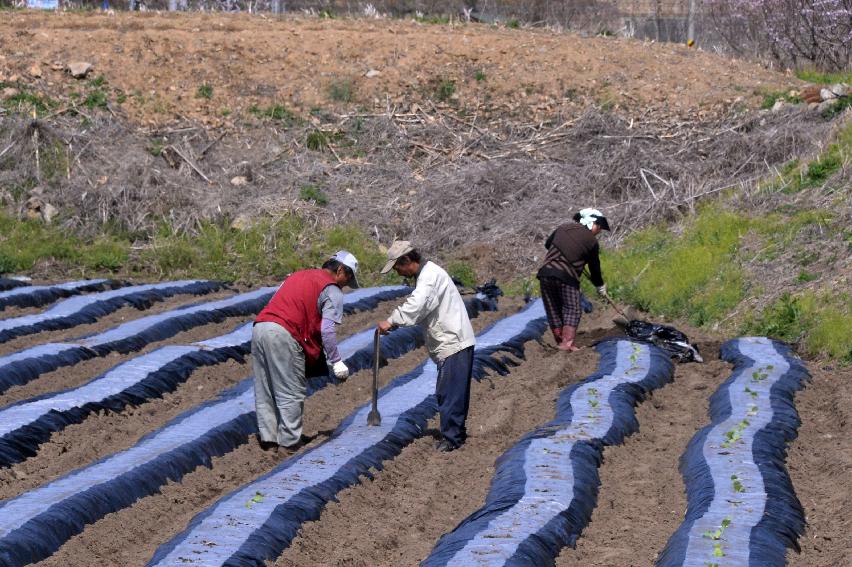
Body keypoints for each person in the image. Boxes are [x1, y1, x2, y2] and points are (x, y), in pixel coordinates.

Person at [252, 251, 359, 454]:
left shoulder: (297, 275)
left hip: (260, 327)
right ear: (341, 270)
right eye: (349, 278)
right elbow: (326, 329)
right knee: (290, 390)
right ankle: (289, 443)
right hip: (285, 333)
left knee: (265, 388)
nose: (346, 284)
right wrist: (336, 360)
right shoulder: (332, 290)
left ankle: (269, 440)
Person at [377, 241, 475, 452]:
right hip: (450, 341)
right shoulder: (427, 275)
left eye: (397, 268)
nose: (398, 273)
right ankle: (455, 434)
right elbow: (422, 310)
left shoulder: (429, 277)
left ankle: (452, 439)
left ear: (407, 261)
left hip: (453, 342)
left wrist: (392, 320)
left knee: (450, 393)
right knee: (449, 392)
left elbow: (418, 305)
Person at [537, 208, 611, 352]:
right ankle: (567, 344)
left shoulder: (563, 227)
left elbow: (548, 244)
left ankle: (560, 342)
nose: (599, 231)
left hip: (545, 273)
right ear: (592, 223)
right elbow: (594, 269)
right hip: (567, 276)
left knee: (553, 309)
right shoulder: (591, 242)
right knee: (573, 309)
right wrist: (600, 286)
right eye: (599, 227)